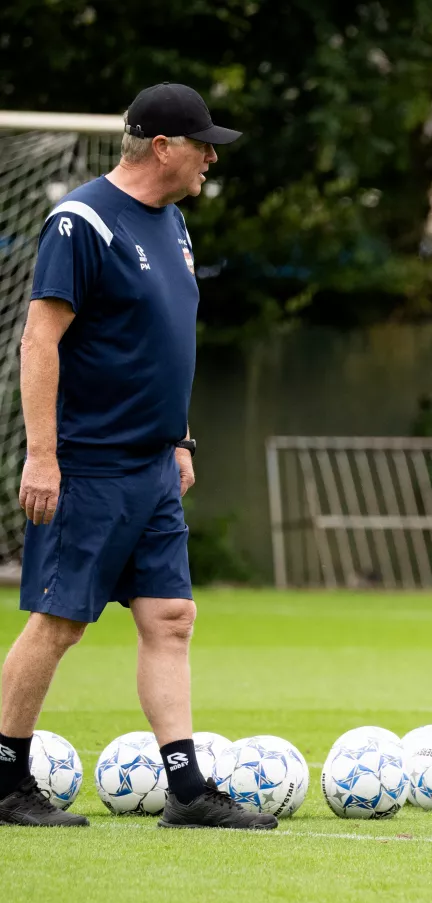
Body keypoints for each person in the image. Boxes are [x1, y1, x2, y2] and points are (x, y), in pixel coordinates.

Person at [0, 83, 276, 830]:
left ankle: (186, 792)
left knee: (171, 616)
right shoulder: (80, 221)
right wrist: (43, 456)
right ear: (162, 147)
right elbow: (39, 342)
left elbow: (162, 340)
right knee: (59, 623)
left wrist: (179, 437)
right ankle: (2, 777)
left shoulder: (176, 224)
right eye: (203, 144)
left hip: (153, 466)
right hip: (86, 462)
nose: (212, 157)